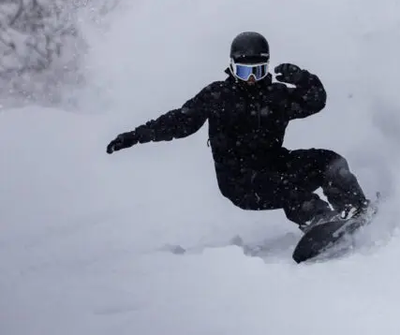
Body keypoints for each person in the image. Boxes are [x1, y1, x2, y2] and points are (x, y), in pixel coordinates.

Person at [105, 31, 371, 231]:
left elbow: (315, 101)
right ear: (232, 67)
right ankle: (319, 221)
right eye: (245, 72)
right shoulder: (218, 96)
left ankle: (354, 208)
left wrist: (303, 79)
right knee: (287, 187)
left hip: (276, 164)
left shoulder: (275, 95)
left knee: (328, 161)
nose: (252, 79)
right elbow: (179, 122)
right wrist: (135, 135)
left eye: (258, 70)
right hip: (241, 181)